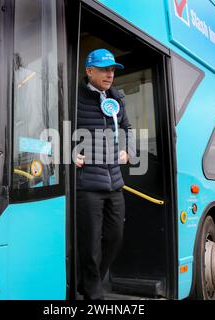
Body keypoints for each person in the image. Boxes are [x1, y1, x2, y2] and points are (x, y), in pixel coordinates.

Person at [76, 48, 135, 300]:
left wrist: (128, 151)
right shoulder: (74, 97)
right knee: (90, 245)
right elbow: (55, 126)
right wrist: (70, 152)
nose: (110, 74)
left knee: (115, 237)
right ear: (89, 71)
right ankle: (93, 294)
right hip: (88, 185)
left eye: (112, 70)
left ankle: (90, 283)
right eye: (104, 69)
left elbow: (128, 128)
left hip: (115, 183)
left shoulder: (117, 99)